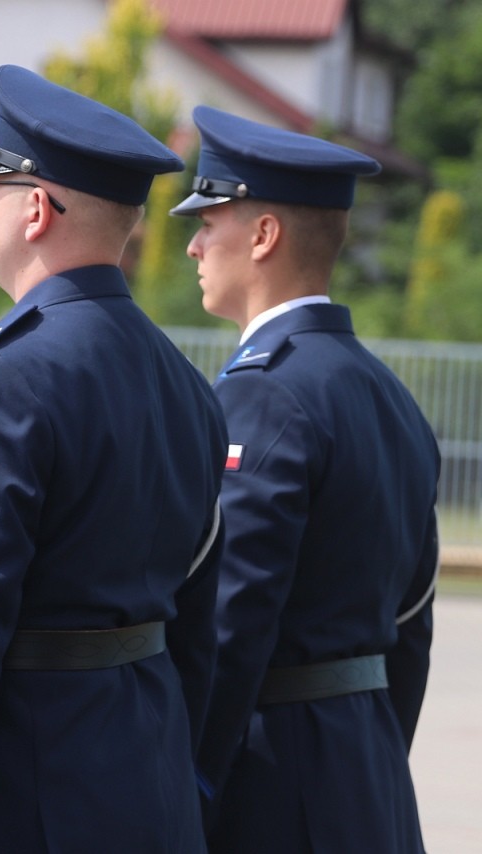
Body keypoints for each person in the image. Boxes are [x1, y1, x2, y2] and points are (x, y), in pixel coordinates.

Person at [0, 65, 229, 853]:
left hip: (25, 799)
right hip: (151, 786)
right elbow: (200, 628)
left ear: (34, 209)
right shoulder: (186, 385)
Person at [171, 106, 441, 853]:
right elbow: (411, 625)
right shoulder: (389, 396)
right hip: (367, 775)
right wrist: (364, 751)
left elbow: (230, 626)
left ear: (264, 236)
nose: (193, 244)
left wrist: (189, 789)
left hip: (272, 785)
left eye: (210, 221)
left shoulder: (263, 393)